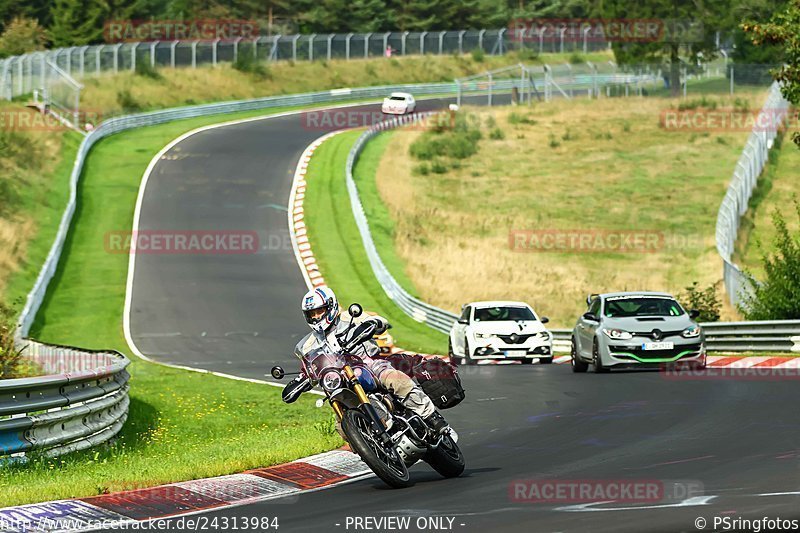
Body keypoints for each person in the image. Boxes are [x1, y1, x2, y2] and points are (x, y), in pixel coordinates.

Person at [283, 286, 449, 435]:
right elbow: (309, 367)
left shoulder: (350, 317)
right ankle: (372, 450)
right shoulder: (308, 345)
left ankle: (431, 416)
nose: (316, 316)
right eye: (312, 314)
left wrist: (373, 324)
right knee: (341, 426)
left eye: (320, 311)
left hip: (369, 364)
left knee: (396, 380)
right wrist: (301, 379)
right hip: (340, 382)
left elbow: (379, 322)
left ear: (331, 306)